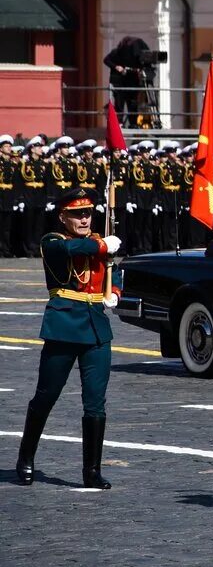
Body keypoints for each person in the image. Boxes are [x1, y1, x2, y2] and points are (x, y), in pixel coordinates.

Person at [15, 188, 122, 488]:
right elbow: (72, 252)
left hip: (96, 328)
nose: (85, 218)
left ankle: (91, 471)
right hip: (64, 325)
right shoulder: (54, 241)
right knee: (46, 395)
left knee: (95, 402)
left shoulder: (98, 242)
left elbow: (115, 272)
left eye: (88, 212)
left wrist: (114, 293)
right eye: (77, 214)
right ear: (63, 217)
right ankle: (26, 457)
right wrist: (103, 246)